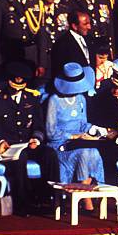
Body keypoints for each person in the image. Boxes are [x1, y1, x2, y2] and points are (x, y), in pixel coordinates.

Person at [0, 62, 59, 216]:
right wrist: (0, 141)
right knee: (21, 157)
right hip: (8, 146)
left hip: (29, 143)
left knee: (50, 155)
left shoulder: (32, 98)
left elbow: (39, 126)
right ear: (9, 81)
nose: (17, 88)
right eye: (14, 83)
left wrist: (36, 139)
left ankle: (51, 199)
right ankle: (23, 203)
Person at [46, 62, 105, 211]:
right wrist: (74, 136)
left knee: (94, 152)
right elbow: (50, 131)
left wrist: (95, 130)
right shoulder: (54, 100)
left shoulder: (81, 99)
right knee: (85, 153)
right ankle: (85, 200)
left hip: (80, 142)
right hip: (59, 143)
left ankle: (85, 194)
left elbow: (83, 124)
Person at [51, 9, 93, 75]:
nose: (89, 27)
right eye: (85, 24)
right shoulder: (62, 43)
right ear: (74, 26)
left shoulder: (89, 39)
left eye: (89, 23)